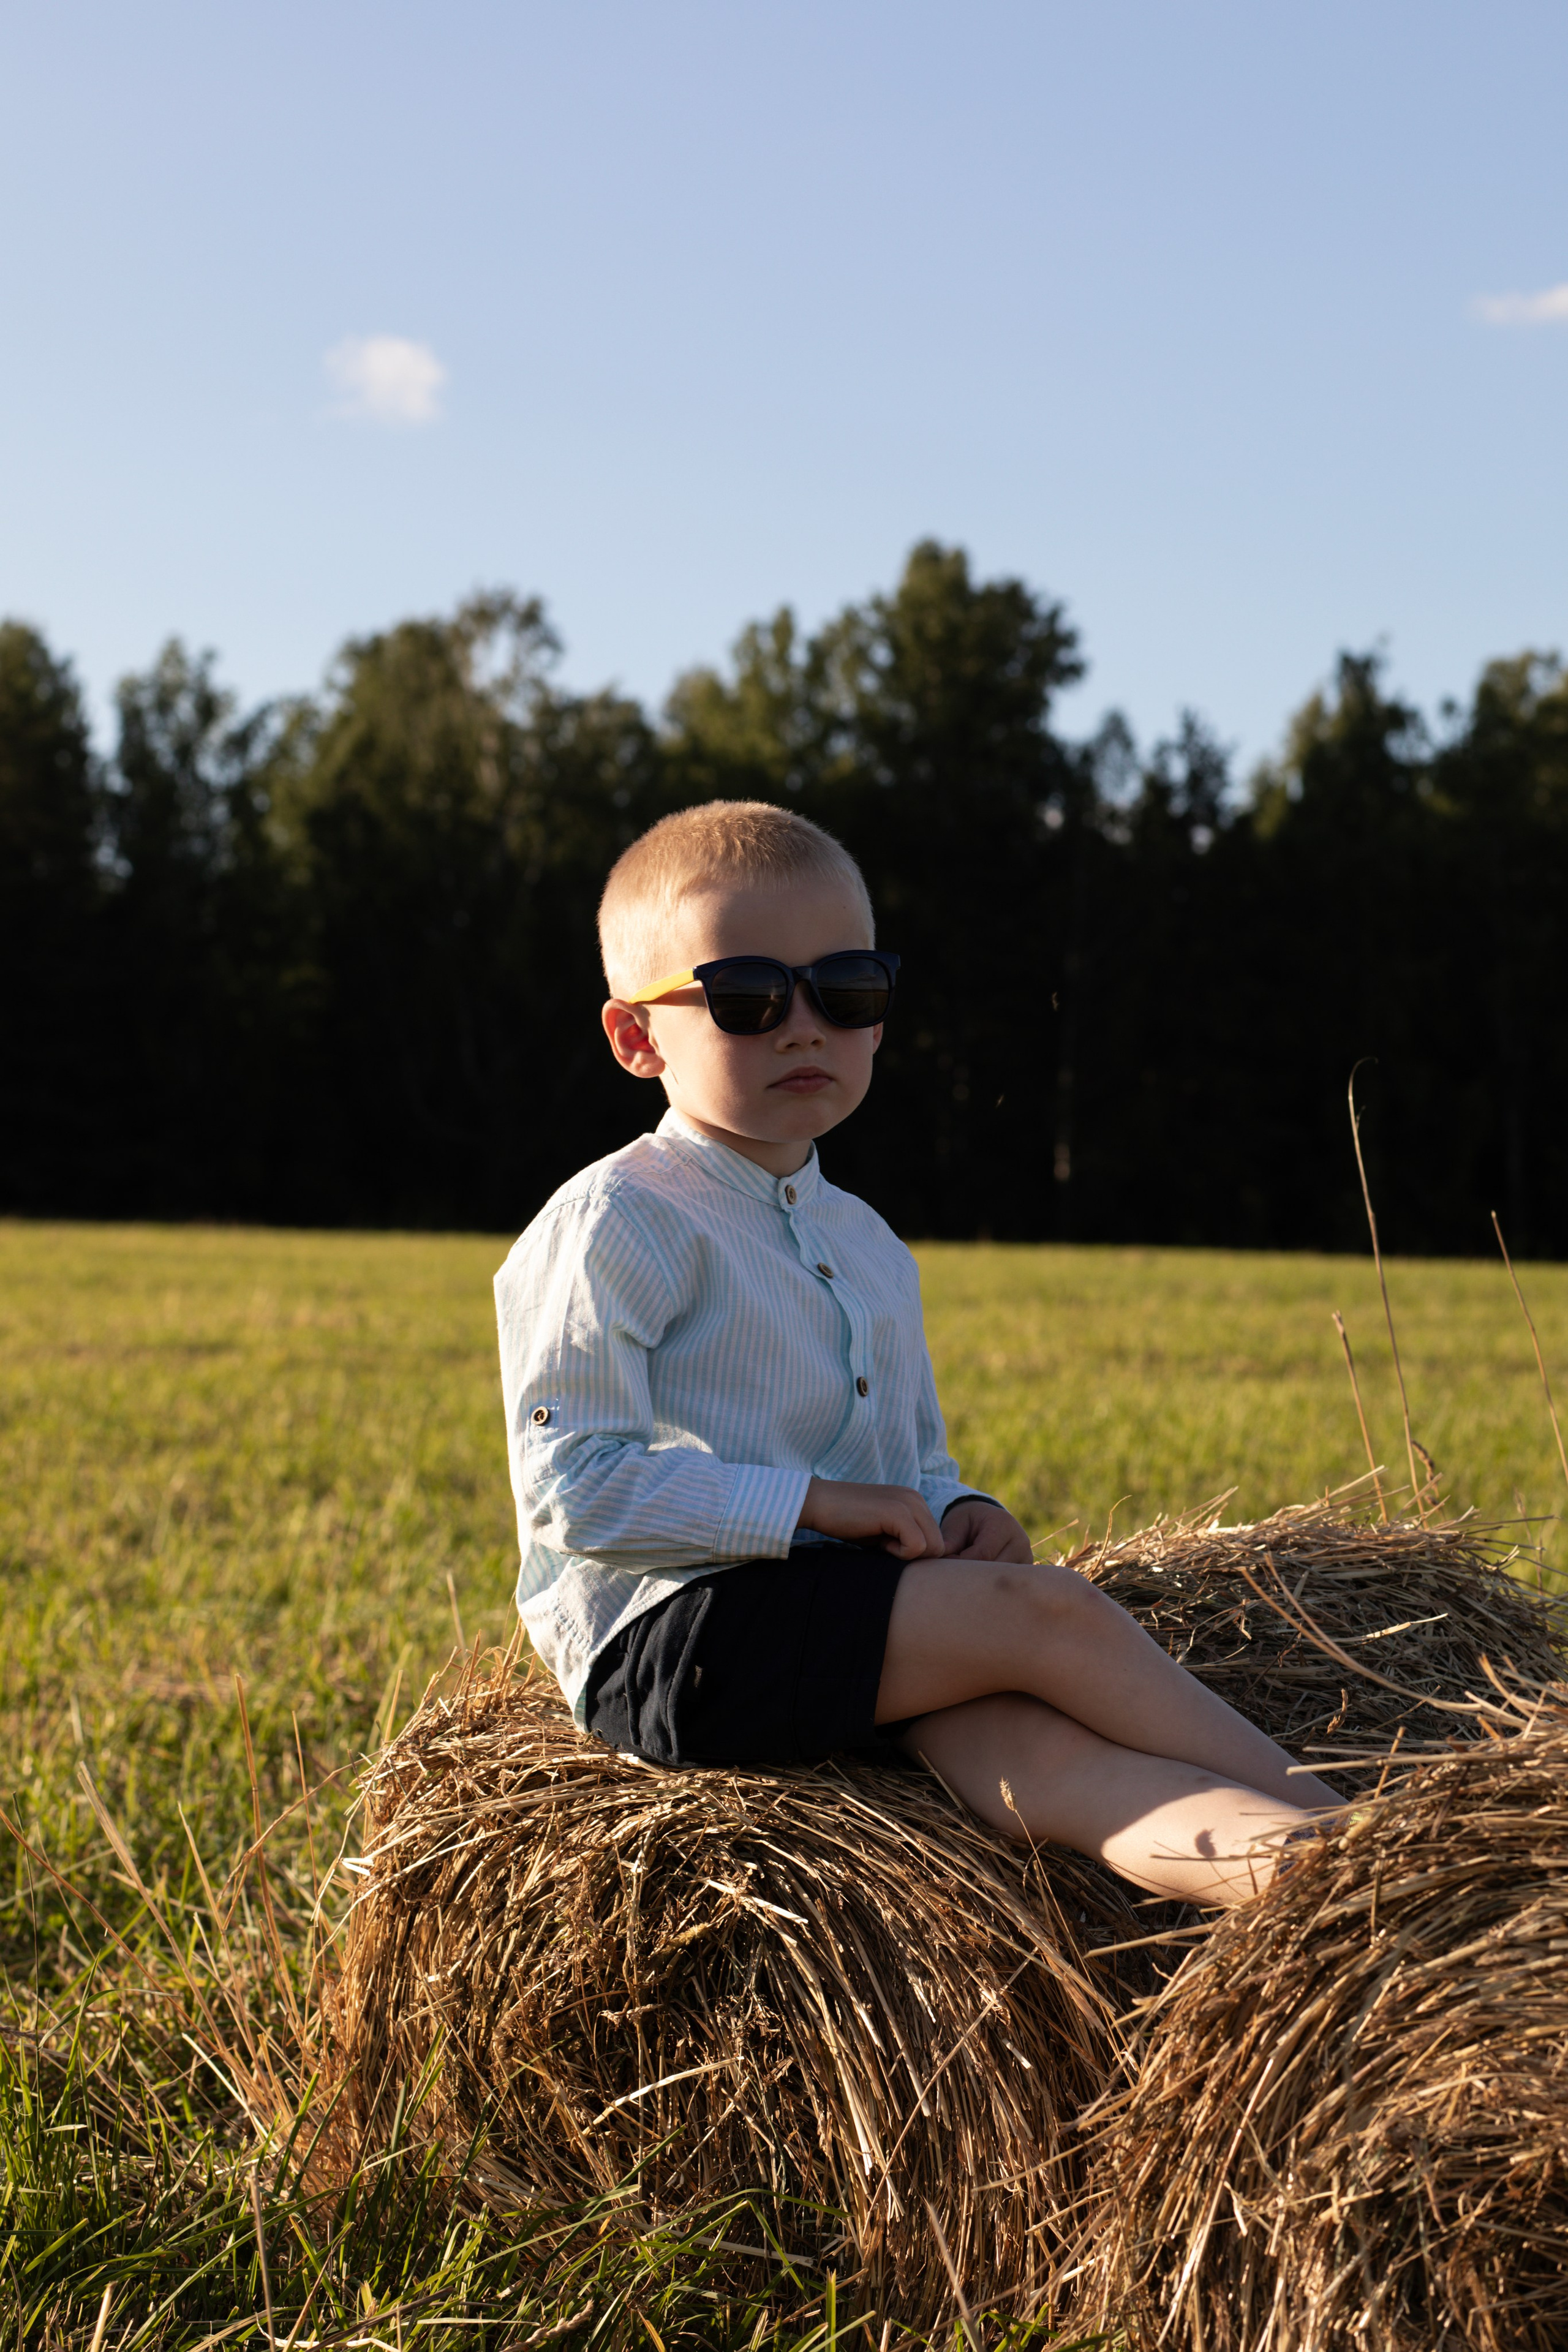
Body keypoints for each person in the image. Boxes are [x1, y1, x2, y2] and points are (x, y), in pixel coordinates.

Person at [494, 801, 1337, 1907]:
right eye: (748, 997)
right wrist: (819, 1507)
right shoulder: (622, 1217)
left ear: (881, 1020)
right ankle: (1396, 1830)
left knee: (1047, 1766)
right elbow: (570, 1489)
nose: (804, 1027)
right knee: (1052, 1614)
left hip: (843, 1615)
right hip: (678, 1637)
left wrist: (959, 1509)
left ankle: (1330, 1886)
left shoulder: (871, 1247)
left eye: (844, 991)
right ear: (638, 1038)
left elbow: (907, 1461)